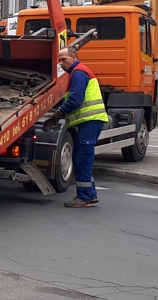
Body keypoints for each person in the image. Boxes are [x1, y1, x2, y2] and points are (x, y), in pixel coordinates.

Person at [43, 45, 109, 208]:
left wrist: (57, 115)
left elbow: (75, 100)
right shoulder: (77, 72)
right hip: (90, 121)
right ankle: (90, 195)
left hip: (90, 121)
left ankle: (84, 197)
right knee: (82, 158)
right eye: (59, 60)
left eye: (63, 59)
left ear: (74, 57)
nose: (60, 63)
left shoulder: (78, 73)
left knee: (82, 159)